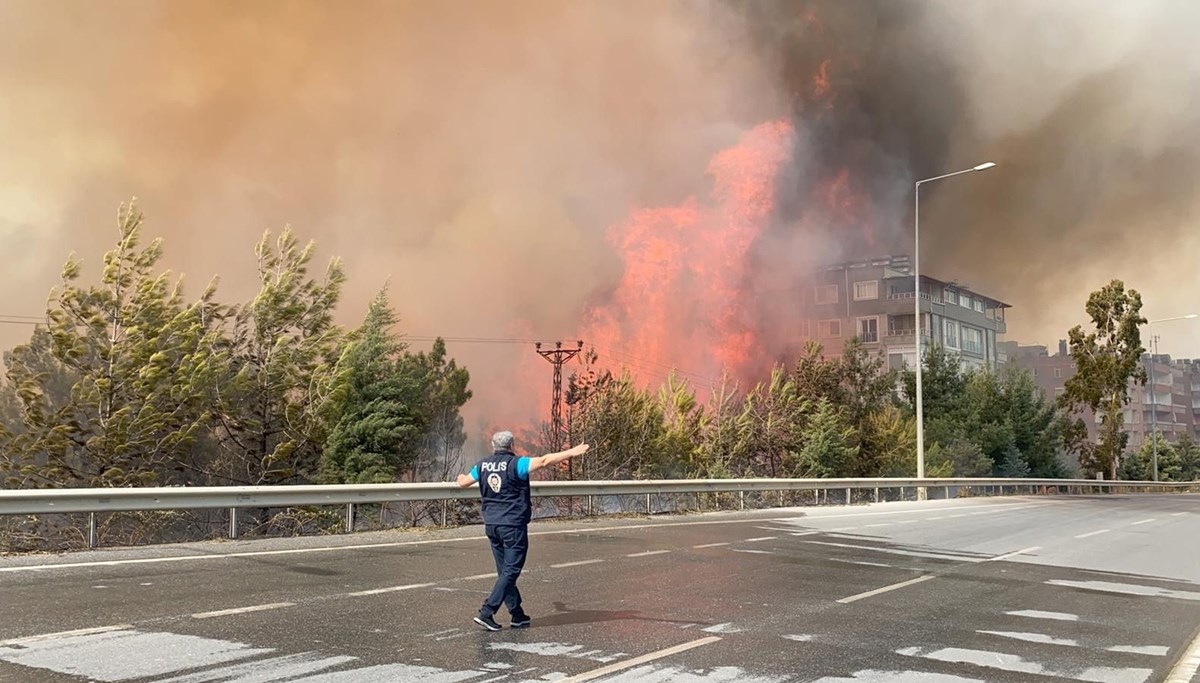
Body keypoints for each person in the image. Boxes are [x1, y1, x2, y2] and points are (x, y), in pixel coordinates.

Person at [456, 431, 589, 631]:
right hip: (512, 525)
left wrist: (460, 478)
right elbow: (544, 461)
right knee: (511, 571)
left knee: (505, 572)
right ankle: (486, 611)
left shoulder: (482, 465)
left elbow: (464, 483)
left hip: (491, 526)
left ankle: (517, 614)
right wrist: (572, 451)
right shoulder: (516, 464)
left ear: (493, 446)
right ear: (511, 445)